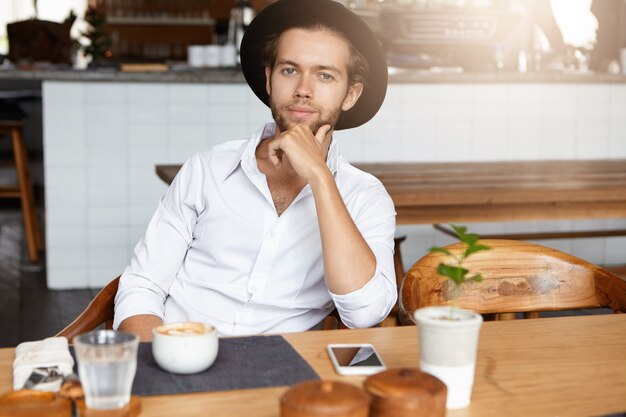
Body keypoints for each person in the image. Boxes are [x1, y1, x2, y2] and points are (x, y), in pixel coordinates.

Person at [113, 0, 397, 340]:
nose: (303, 89)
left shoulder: (365, 196)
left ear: (350, 95)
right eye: (289, 70)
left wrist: (320, 178)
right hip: (177, 351)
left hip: (279, 372)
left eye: (324, 75)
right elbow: (142, 285)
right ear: (268, 79)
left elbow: (365, 312)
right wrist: (163, 359)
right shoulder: (206, 170)